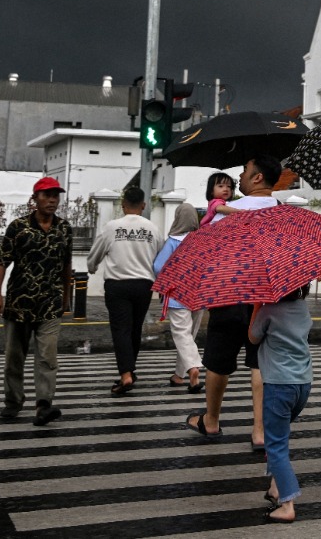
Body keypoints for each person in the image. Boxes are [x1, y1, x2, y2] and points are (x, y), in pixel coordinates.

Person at [187, 155, 280, 446]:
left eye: (244, 172)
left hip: (228, 293)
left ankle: (211, 421)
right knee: (260, 364)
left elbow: (207, 251)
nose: (239, 177)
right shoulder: (280, 212)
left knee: (218, 361)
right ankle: (260, 432)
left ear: (257, 178)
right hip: (265, 300)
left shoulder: (227, 212)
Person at [0, 177, 74, 426]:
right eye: (47, 195)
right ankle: (13, 401)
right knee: (14, 358)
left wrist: (66, 297)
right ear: (35, 198)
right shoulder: (18, 227)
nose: (52, 200)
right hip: (19, 304)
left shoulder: (64, 228)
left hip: (50, 303)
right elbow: (1, 262)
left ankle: (43, 405)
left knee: (48, 356)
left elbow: (66, 264)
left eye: (55, 196)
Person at [87, 185, 159, 395]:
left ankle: (125, 374)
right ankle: (130, 371)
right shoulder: (152, 229)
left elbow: (96, 254)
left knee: (121, 329)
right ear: (144, 205)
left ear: (123, 204)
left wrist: (91, 268)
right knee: (134, 329)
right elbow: (160, 257)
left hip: (118, 285)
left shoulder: (112, 227)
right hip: (144, 285)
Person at [250, 284, 313, 523]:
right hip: (303, 385)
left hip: (278, 385)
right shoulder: (302, 308)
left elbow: (253, 337)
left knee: (274, 445)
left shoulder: (269, 311)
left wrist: (257, 306)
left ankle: (287, 504)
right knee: (281, 435)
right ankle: (276, 487)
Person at [154, 202, 205, 392]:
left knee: (182, 334)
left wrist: (172, 276)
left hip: (178, 295)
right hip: (198, 294)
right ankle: (179, 375)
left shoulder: (173, 241)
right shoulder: (201, 240)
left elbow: (159, 266)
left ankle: (193, 368)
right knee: (190, 336)